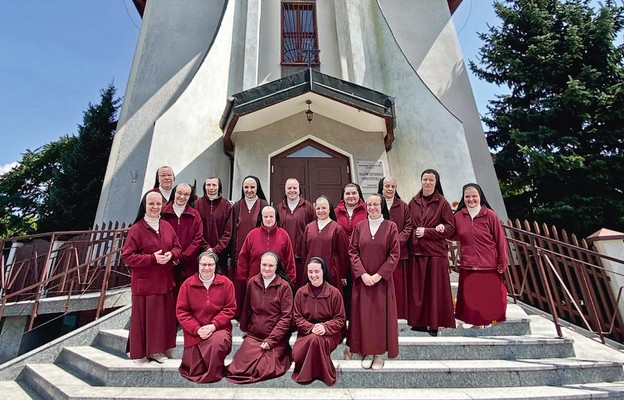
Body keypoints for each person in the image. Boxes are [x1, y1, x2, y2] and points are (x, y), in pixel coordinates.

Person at [122, 191, 181, 364]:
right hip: (146, 284)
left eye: (158, 204)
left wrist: (172, 254)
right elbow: (127, 257)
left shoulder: (166, 226)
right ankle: (152, 351)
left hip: (165, 281)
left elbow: (177, 247)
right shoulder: (136, 229)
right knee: (151, 319)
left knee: (164, 319)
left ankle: (163, 349)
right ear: (144, 206)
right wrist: (152, 259)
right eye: (151, 204)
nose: (155, 207)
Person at [348, 193, 400, 370]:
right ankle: (367, 352)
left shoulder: (391, 227)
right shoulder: (360, 227)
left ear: (382, 206)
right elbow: (353, 252)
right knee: (364, 317)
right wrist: (362, 274)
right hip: (362, 282)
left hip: (382, 283)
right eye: (369, 205)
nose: (372, 208)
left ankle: (378, 355)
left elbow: (394, 255)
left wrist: (378, 275)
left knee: (379, 318)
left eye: (375, 204)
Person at [226, 252, 294, 384]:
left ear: (277, 267)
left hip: (276, 339)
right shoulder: (252, 282)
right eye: (264, 265)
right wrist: (246, 330)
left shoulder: (284, 287)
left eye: (271, 265)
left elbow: (286, 318)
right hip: (254, 336)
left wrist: (271, 341)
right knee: (238, 368)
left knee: (263, 368)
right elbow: (247, 309)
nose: (266, 268)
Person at [407, 169, 456, 336]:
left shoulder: (442, 203)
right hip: (417, 252)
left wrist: (428, 232)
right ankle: (419, 323)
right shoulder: (413, 202)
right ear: (421, 181)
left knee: (434, 291)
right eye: (425, 179)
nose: (427, 183)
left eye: (431, 180)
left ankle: (435, 324)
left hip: (435, 254)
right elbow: (408, 225)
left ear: (436, 182)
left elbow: (450, 228)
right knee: (418, 292)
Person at [452, 183, 508, 328]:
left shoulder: (490, 215)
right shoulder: (458, 216)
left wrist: (502, 261)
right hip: (468, 262)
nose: (471, 199)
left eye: (474, 196)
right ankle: (472, 321)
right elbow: (451, 234)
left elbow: (500, 240)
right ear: (463, 198)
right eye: (467, 196)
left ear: (480, 197)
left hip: (488, 263)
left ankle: (485, 321)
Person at [176, 251, 236, 383]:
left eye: (210, 264)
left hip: (219, 328)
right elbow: (182, 312)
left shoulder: (226, 283)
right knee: (194, 369)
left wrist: (213, 325)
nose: (207, 268)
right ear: (198, 265)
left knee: (217, 343)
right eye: (203, 264)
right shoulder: (187, 285)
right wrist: (197, 329)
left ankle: (214, 373)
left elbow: (230, 308)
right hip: (195, 331)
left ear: (215, 265)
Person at [292, 257, 346, 386]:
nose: (313, 275)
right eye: (310, 272)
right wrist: (311, 327)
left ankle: (306, 376)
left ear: (323, 271)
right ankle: (326, 373)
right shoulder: (300, 293)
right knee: (303, 348)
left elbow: (340, 318)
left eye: (316, 271)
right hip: (306, 333)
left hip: (330, 334)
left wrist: (324, 327)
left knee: (315, 340)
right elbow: (296, 317)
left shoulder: (334, 293)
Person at [231, 176, 268, 317]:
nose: (249, 190)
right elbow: (232, 231)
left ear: (257, 188)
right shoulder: (237, 206)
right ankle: (240, 315)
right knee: (241, 285)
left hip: (258, 254)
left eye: (252, 187)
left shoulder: (263, 205)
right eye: (246, 187)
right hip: (240, 253)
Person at [161, 183, 203, 302]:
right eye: (179, 193)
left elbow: (198, 238)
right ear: (174, 193)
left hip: (188, 265)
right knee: (167, 300)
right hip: (166, 263)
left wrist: (181, 257)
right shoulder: (163, 213)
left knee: (185, 299)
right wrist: (171, 256)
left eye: (186, 194)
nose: (182, 197)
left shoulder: (195, 215)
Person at [378, 176, 413, 319]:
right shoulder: (375, 204)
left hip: (399, 254)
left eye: (393, 186)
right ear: (381, 187)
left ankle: (398, 315)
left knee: (398, 286)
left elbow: (408, 226)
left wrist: (396, 242)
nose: (390, 189)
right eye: (387, 186)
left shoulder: (403, 206)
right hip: (380, 254)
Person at [301, 196, 349, 296]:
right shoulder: (309, 228)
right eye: (318, 208)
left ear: (329, 209)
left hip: (332, 272)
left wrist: (343, 274)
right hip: (312, 273)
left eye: (324, 208)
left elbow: (343, 254)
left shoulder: (337, 228)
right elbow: (304, 252)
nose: (321, 211)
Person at [236, 205, 296, 284]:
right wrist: (244, 281)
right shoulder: (252, 235)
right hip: (254, 284)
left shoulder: (284, 235)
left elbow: (290, 262)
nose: (268, 219)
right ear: (261, 218)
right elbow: (243, 260)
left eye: (271, 216)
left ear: (276, 218)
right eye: (265, 216)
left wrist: (290, 282)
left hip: (279, 285)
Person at [276, 178, 316, 289]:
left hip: (302, 257)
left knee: (301, 286)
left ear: (299, 190)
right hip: (284, 257)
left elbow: (313, 230)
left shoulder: (308, 207)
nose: (292, 190)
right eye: (289, 188)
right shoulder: (279, 208)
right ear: (285, 190)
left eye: (294, 188)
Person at [195, 177, 233, 274]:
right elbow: (195, 230)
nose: (211, 188)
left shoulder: (227, 205)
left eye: (214, 185)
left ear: (219, 187)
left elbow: (228, 231)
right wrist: (206, 248)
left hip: (221, 254)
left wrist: (216, 249)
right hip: (201, 252)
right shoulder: (197, 204)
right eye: (208, 185)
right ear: (204, 186)